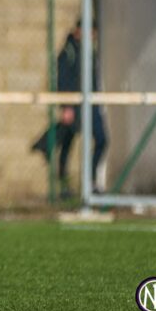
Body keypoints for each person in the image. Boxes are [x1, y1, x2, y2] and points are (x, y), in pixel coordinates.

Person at [33, 19, 108, 199]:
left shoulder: (89, 50)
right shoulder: (69, 51)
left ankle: (90, 181)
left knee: (101, 139)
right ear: (79, 30)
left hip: (91, 104)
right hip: (74, 105)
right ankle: (64, 185)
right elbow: (63, 79)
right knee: (67, 143)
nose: (92, 36)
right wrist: (66, 106)